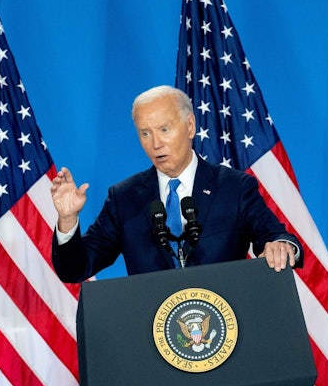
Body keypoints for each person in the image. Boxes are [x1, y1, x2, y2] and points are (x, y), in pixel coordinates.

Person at [50, 85, 302, 283]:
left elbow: (276, 236)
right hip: (152, 334)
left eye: (164, 130)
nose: (155, 143)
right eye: (145, 133)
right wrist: (68, 219)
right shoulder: (124, 197)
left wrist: (280, 246)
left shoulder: (234, 188)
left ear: (190, 126)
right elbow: (75, 269)